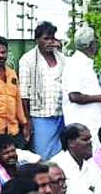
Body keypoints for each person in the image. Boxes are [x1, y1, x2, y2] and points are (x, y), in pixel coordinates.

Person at [18, 21, 65, 158]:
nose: (50, 42)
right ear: (37, 40)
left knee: (62, 155)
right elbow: (24, 94)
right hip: (41, 116)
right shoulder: (28, 60)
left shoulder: (62, 59)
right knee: (43, 155)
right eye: (46, 38)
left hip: (62, 114)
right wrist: (27, 121)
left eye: (52, 38)